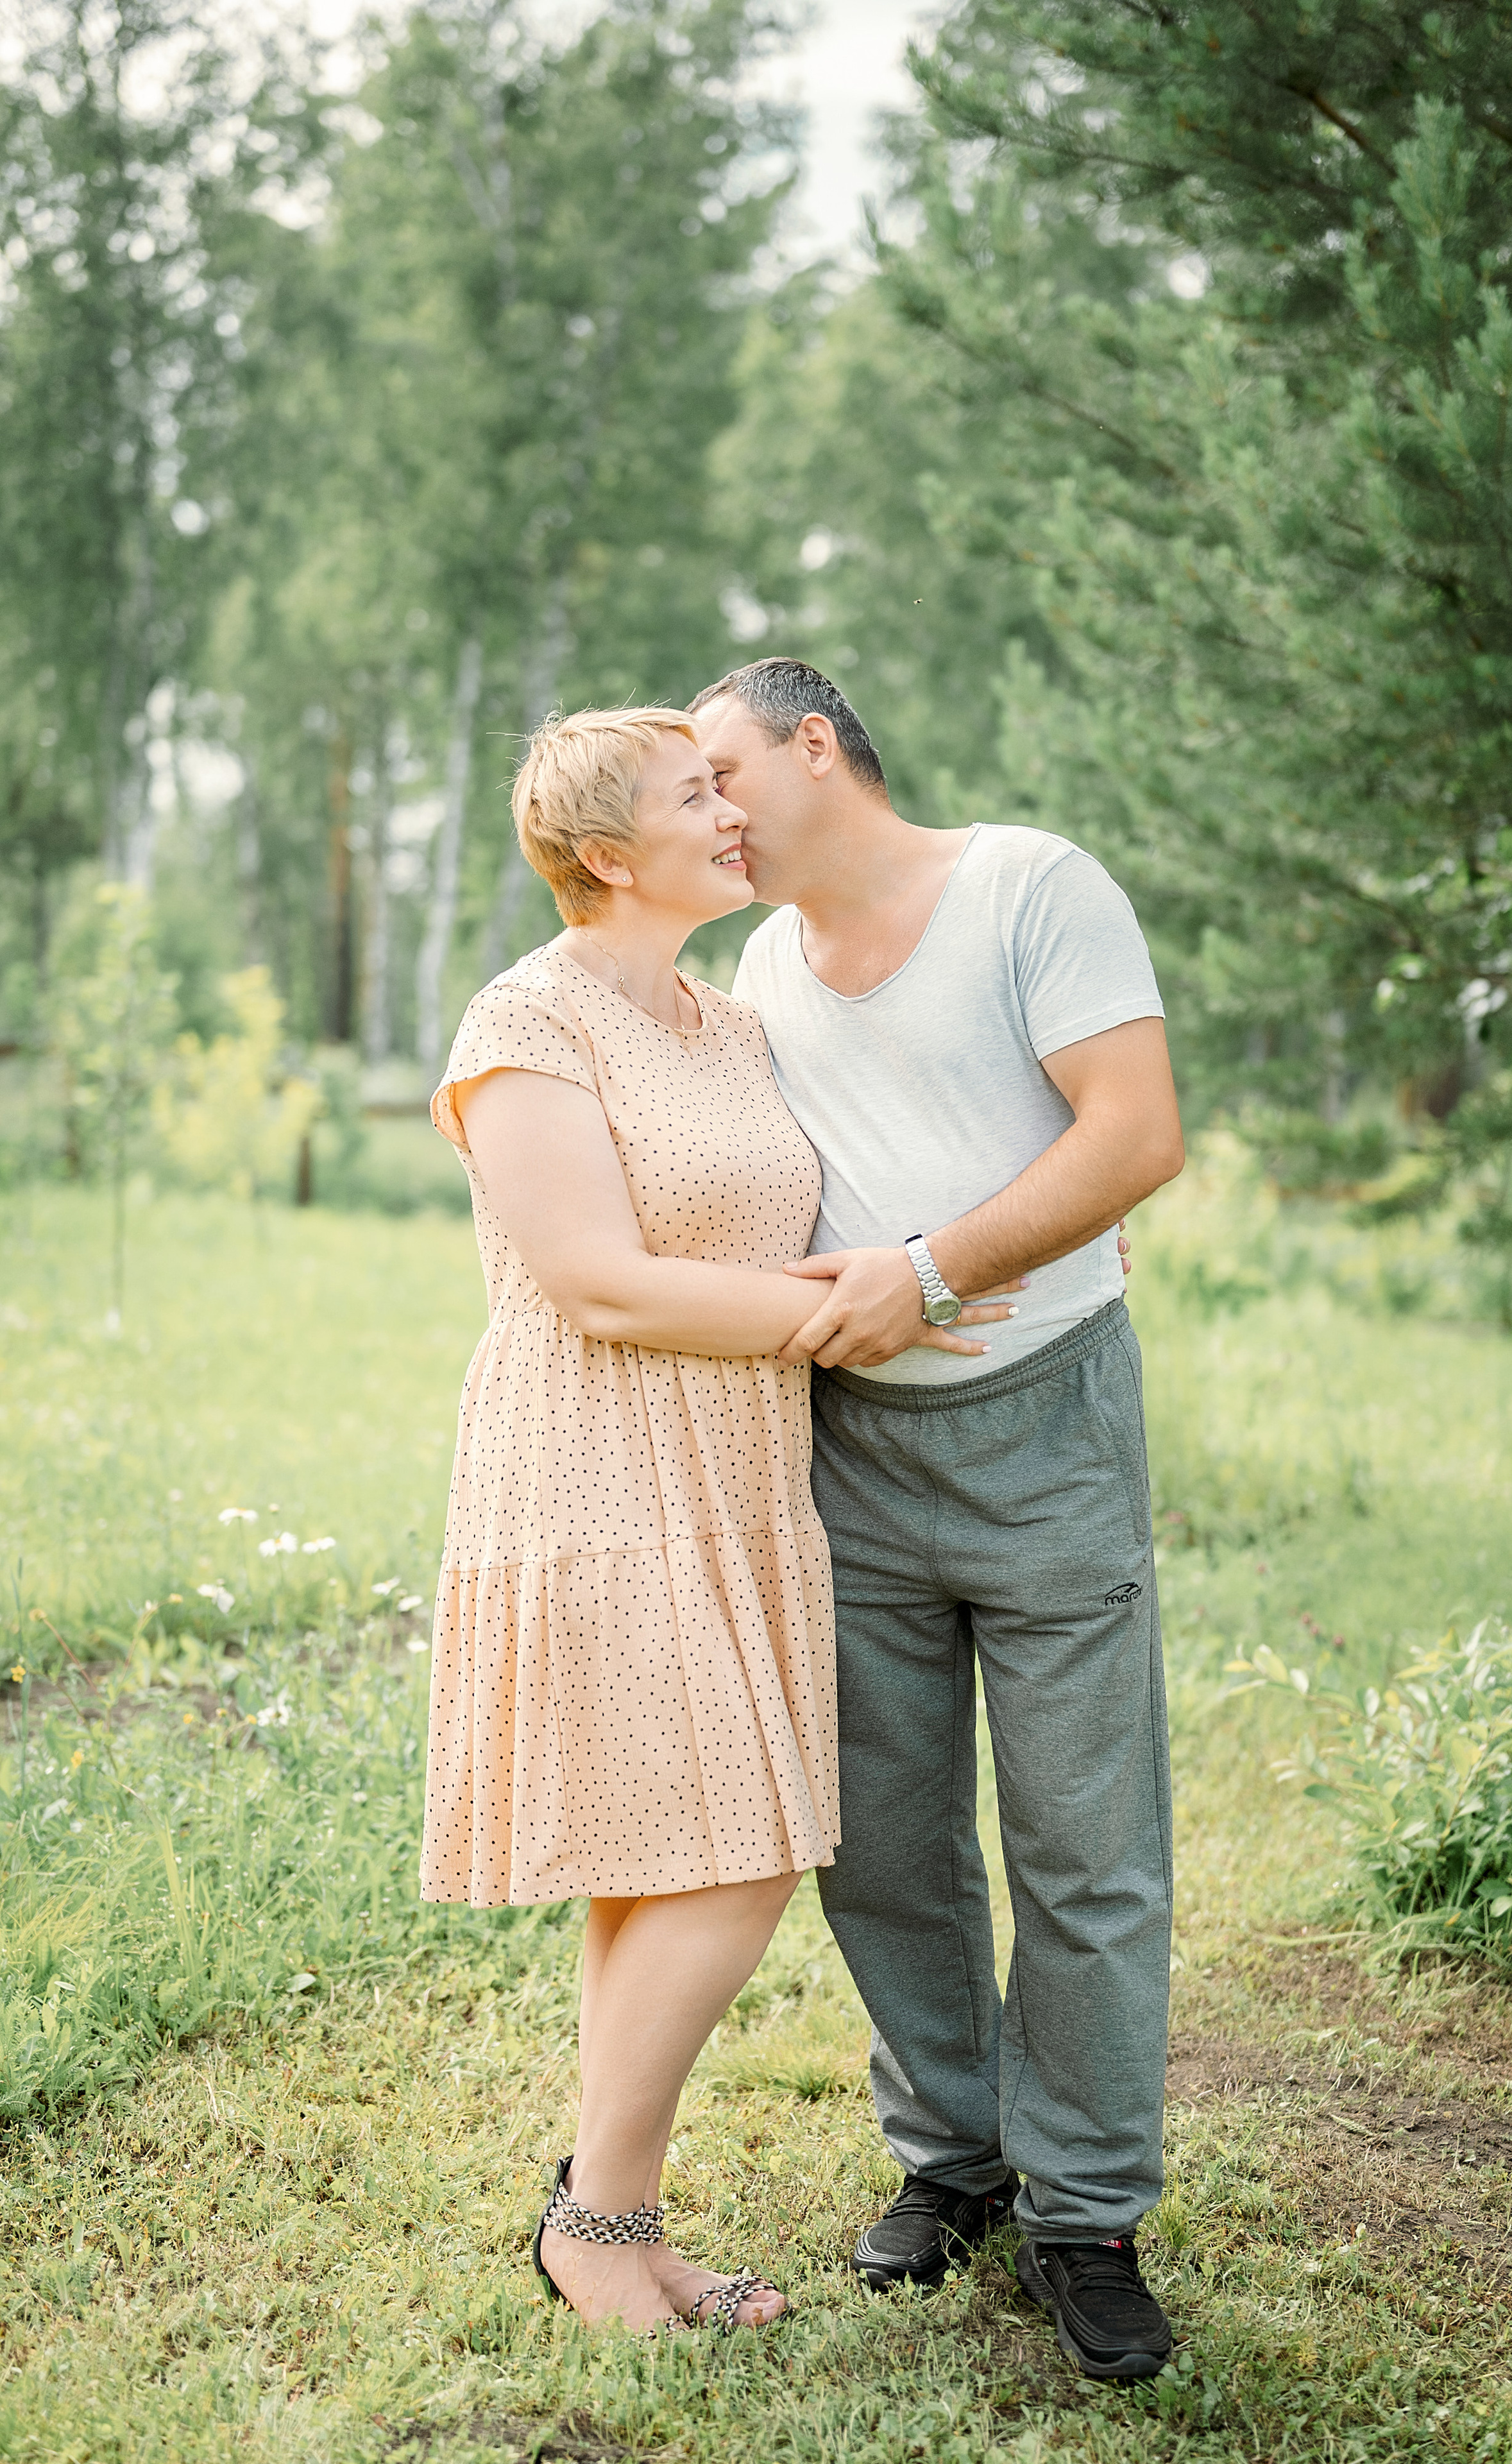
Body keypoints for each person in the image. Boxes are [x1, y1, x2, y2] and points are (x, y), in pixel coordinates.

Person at [420, 705, 1013, 2337]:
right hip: (601, 1462)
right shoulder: (523, 1020)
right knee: (734, 1852)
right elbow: (597, 1287)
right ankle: (599, 2224)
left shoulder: (724, 1021)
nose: (734, 818)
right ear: (607, 854)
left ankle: (608, 2222)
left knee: (661, 1851)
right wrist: (843, 1313)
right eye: (700, 797)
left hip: (742, 1469)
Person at [688, 659, 1186, 2382]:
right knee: (887, 1846)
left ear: (815, 744)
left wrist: (935, 1267)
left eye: (725, 767)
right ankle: (955, 2162)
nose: (710, 808)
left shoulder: (1032, 888)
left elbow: (1138, 1134)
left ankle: (1087, 2212)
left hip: (1048, 1435)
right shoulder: (760, 962)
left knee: (1085, 1846)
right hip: (848, 1459)